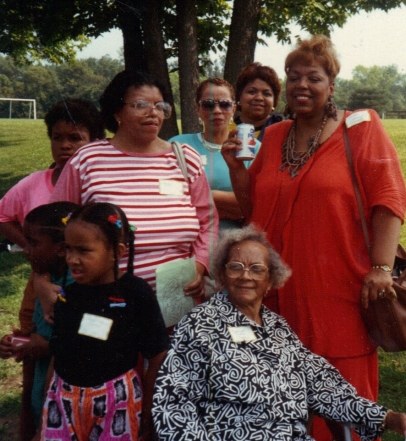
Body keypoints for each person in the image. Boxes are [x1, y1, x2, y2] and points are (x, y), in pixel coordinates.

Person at [222, 35, 406, 441]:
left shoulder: (361, 127)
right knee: (282, 413)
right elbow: (255, 209)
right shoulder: (275, 136)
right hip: (278, 301)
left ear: (332, 84)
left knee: (351, 410)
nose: (301, 84)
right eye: (293, 76)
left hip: (338, 298)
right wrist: (237, 171)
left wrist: (381, 267)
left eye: (314, 77)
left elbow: (389, 199)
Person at [152, 226, 406, 441]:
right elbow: (171, 402)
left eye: (256, 269)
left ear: (271, 281)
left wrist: (392, 418)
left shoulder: (279, 329)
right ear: (223, 276)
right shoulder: (201, 325)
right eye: (235, 266)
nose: (245, 275)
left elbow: (326, 388)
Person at [48, 71, 217, 308]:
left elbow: (208, 223)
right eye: (141, 105)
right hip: (105, 304)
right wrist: (44, 278)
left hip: (176, 304)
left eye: (160, 106)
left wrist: (199, 265)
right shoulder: (87, 160)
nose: (153, 112)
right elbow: (54, 224)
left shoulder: (185, 158)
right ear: (117, 111)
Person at [0, 99, 104, 441]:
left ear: (95, 139)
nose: (66, 146)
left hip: (83, 293)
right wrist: (33, 254)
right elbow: (1, 215)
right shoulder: (33, 184)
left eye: (76, 137)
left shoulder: (96, 184)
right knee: (36, 379)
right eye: (57, 138)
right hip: (41, 289)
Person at [26, 202, 169, 441]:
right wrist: (42, 427)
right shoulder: (69, 295)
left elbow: (157, 352)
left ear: (117, 251)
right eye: (68, 249)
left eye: (83, 250)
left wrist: (148, 414)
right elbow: (59, 355)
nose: (71, 259)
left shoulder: (135, 294)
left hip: (118, 406)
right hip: (63, 403)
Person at [0, 202, 78, 429]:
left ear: (61, 248)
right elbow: (39, 332)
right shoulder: (44, 283)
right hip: (42, 391)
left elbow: (87, 339)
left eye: (32, 243)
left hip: (67, 399)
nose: (26, 249)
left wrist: (49, 347)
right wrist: (16, 343)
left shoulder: (77, 288)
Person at [169, 78, 260, 232]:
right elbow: (169, 195)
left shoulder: (251, 148)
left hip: (235, 242)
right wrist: (227, 210)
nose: (217, 110)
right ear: (198, 109)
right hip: (189, 237)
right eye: (208, 105)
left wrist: (207, 195)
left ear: (233, 108)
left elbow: (257, 203)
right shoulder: (179, 146)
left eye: (224, 104)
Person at [229, 62, 283, 141]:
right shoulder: (224, 130)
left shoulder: (283, 132)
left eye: (266, 94)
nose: (259, 98)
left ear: (274, 101)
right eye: (252, 92)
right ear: (239, 96)